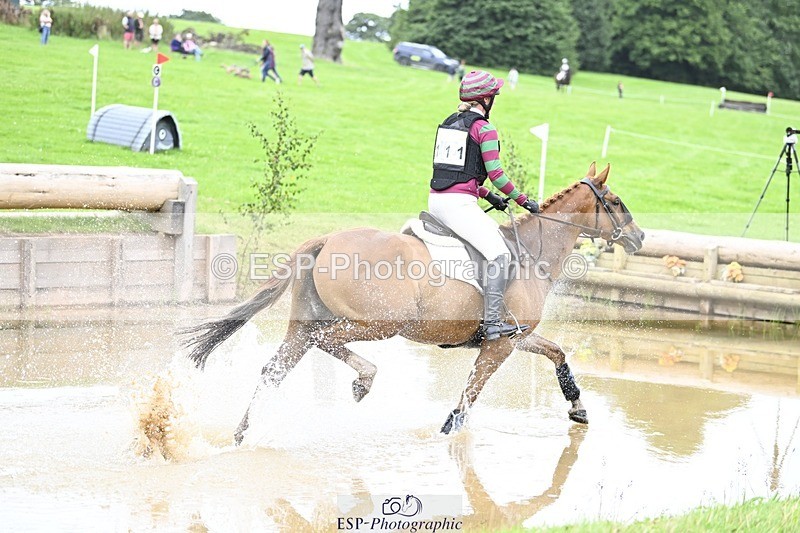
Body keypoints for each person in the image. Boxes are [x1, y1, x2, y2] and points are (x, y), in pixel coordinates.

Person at [429, 70, 539, 341]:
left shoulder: (449, 123)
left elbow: (456, 172)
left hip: (436, 201)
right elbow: (498, 175)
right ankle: (491, 323)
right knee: (501, 255)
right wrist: (524, 201)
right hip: (458, 206)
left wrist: (487, 196)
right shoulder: (484, 129)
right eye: (494, 97)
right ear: (486, 99)